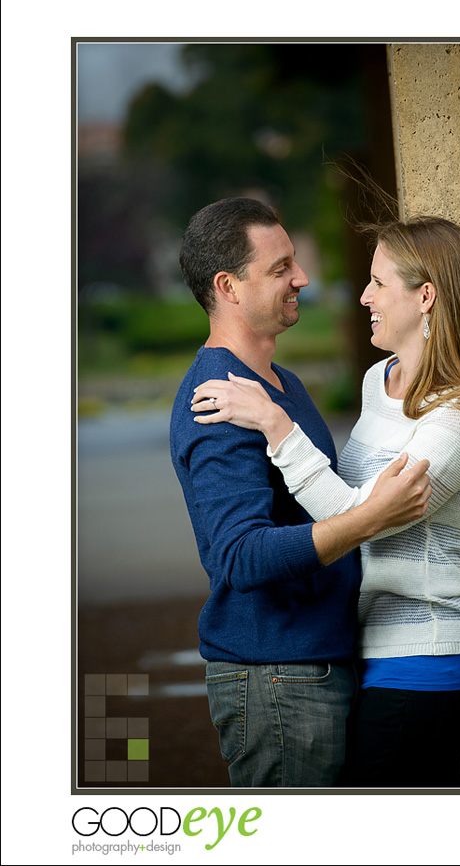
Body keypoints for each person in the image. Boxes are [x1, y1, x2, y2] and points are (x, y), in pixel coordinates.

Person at [191, 214, 460, 788]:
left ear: (425, 296)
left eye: (379, 282)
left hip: (431, 657)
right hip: (374, 656)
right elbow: (358, 509)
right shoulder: (378, 381)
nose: (363, 296)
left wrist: (276, 426)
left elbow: (366, 518)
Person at [170, 198, 432, 788]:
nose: (302, 278)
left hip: (314, 665)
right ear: (228, 287)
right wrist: (368, 519)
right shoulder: (216, 402)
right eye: (281, 267)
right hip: (275, 679)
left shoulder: (278, 386)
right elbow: (239, 556)